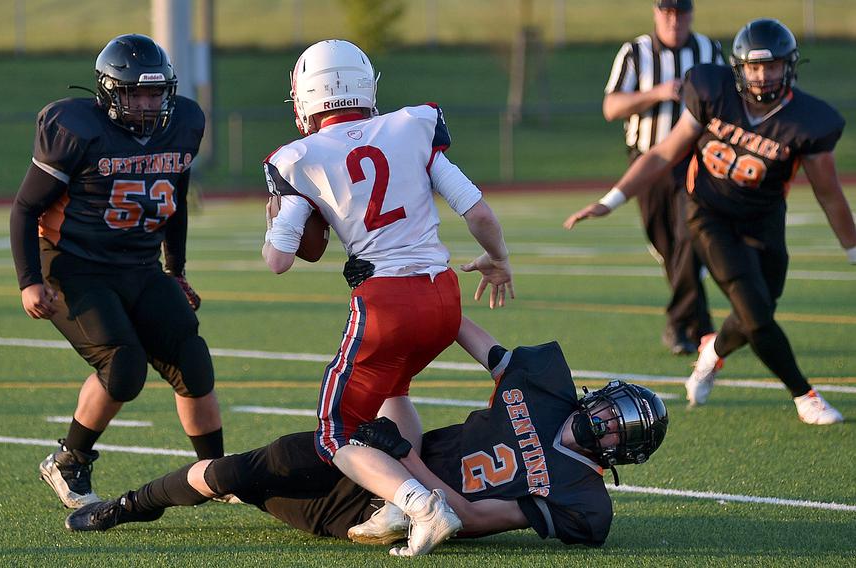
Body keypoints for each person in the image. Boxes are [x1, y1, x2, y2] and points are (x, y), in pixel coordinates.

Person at [63, 317, 669, 558]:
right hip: (390, 454)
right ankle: (123, 508)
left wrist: (411, 472)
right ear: (603, 395)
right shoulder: (546, 385)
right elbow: (458, 326)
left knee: (238, 484)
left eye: (622, 431)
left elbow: (478, 518)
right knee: (234, 472)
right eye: (617, 409)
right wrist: (420, 286)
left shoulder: (584, 499)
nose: (609, 423)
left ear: (624, 454)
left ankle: (189, 492)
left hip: (396, 496)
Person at [260, 38, 515, 542]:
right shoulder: (411, 126)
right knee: (392, 389)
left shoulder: (299, 157)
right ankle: (390, 502)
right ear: (364, 86)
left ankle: (419, 503)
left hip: (387, 305)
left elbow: (279, 261)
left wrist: (275, 217)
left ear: (305, 99)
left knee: (334, 434)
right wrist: (498, 261)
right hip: (443, 300)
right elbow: (478, 211)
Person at [565, 19, 856, 425]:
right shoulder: (713, 93)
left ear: (789, 67)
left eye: (772, 66)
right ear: (738, 67)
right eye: (754, 67)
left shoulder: (806, 119)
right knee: (755, 314)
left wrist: (853, 250)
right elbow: (664, 153)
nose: (763, 75)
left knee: (758, 309)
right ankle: (804, 395)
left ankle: (713, 352)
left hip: (764, 218)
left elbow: (828, 193)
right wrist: (611, 200)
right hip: (708, 214)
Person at [9, 33, 224, 509]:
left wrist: (178, 269)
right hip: (74, 264)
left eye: (155, 92)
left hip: (140, 262)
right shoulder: (75, 128)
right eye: (134, 93)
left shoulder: (184, 122)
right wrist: (30, 281)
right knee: (122, 367)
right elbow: (25, 209)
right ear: (108, 92)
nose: (147, 104)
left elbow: (175, 200)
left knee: (191, 359)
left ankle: (218, 474)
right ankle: (68, 460)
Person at [603, 0, 721, 355]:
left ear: (691, 14)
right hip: (648, 162)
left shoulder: (708, 50)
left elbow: (726, 100)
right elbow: (611, 107)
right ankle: (700, 325)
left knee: (691, 235)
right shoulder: (635, 53)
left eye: (681, 13)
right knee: (666, 244)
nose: (674, 20)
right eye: (667, 12)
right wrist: (658, 92)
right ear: (656, 14)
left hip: (693, 161)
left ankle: (676, 322)